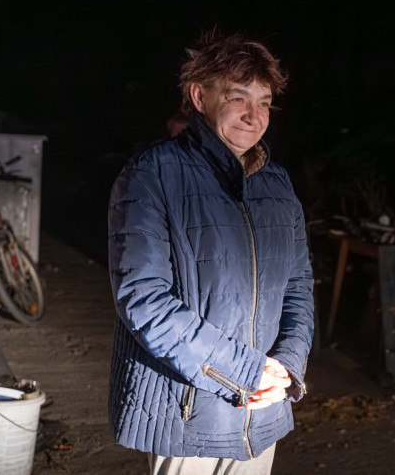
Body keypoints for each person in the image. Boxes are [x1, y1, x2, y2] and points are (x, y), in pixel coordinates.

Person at [107, 31, 314, 474]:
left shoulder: (278, 185)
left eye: (264, 102)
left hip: (262, 412)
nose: (254, 116)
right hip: (187, 413)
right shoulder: (152, 174)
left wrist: (286, 366)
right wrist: (246, 372)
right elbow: (143, 299)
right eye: (238, 98)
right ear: (199, 97)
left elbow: (298, 285)